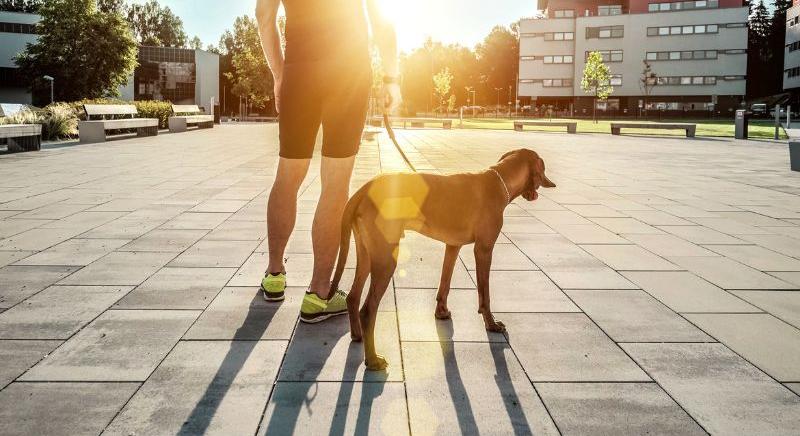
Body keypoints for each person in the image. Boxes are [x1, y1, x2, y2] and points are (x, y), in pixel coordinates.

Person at [255, 0, 402, 323]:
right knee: (335, 183)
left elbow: (264, 16)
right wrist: (391, 78)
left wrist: (281, 74)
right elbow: (381, 22)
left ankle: (275, 274)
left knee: (287, 174)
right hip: (347, 72)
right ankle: (319, 294)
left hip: (299, 71)